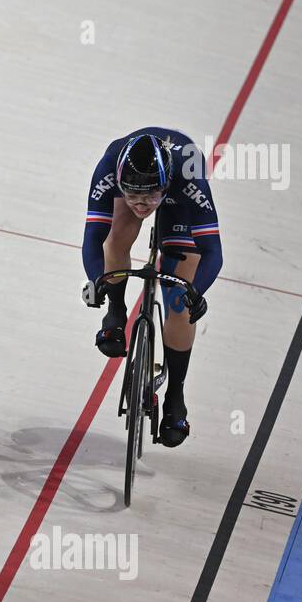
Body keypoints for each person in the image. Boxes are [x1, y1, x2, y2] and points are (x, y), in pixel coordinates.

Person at [81, 129, 222, 446]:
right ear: (120, 184)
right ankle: (116, 314)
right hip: (147, 186)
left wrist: (194, 291)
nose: (142, 204)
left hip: (179, 202)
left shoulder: (188, 175)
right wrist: (96, 281)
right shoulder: (109, 165)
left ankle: (175, 395)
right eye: (133, 195)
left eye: (149, 196)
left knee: (178, 304)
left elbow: (213, 251)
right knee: (117, 236)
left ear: (165, 183)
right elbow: (93, 239)